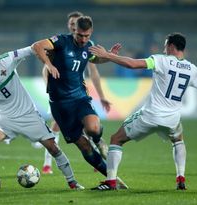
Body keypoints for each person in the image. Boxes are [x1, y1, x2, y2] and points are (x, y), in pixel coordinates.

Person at [0, 42, 84, 190]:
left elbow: (31, 49)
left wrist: (50, 51)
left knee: (53, 148)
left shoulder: (6, 60)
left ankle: (72, 182)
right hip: (6, 118)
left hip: (28, 114)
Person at [89, 32, 197, 190]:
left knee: (116, 139)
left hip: (151, 115)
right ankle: (180, 179)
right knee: (178, 140)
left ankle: (111, 182)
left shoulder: (161, 60)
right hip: (172, 118)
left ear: (172, 46)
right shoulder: (192, 68)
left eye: (166, 45)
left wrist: (108, 56)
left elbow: (132, 64)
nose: (164, 48)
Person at [31, 16, 128, 189]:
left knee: (93, 128)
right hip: (60, 105)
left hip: (80, 98)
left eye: (87, 36)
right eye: (80, 35)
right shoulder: (61, 41)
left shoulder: (89, 47)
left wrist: (109, 56)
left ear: (91, 33)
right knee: (83, 145)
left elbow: (96, 60)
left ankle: (99, 140)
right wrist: (49, 65)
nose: (83, 39)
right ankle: (112, 179)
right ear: (74, 31)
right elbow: (36, 46)